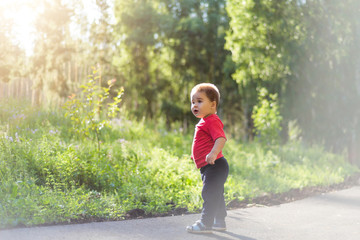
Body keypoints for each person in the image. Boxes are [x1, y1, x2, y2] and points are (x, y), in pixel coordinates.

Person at [186, 83, 229, 234]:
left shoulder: (212, 120)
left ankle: (206, 223)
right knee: (216, 193)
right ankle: (219, 221)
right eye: (193, 102)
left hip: (215, 164)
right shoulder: (204, 121)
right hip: (211, 165)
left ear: (212, 104)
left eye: (199, 101)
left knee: (209, 193)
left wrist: (213, 153)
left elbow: (221, 138)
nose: (195, 105)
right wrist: (195, 155)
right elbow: (203, 142)